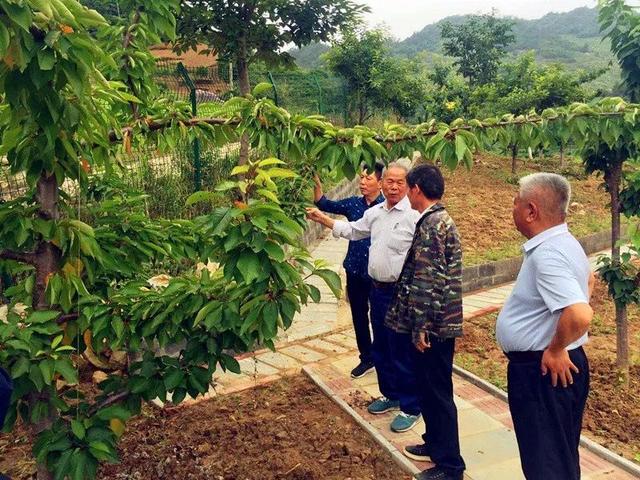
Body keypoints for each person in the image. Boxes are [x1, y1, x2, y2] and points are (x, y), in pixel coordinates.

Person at [307, 160, 422, 433]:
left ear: (409, 186)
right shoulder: (378, 213)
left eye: (399, 183)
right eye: (390, 182)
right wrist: (324, 220)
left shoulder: (414, 217)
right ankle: (390, 394)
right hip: (377, 289)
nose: (393, 187)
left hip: (401, 293)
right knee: (381, 346)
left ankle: (411, 406)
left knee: (400, 350)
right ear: (382, 184)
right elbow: (354, 229)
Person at [495, 172, 594, 480]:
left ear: (531, 211)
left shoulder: (548, 253)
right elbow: (589, 280)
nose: (512, 209)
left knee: (545, 465)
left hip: (544, 372)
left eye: (516, 203)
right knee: (559, 456)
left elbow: (579, 313)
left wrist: (555, 348)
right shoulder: (565, 241)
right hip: (556, 368)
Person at [390, 165, 466, 480]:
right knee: (429, 387)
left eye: (408, 188)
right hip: (435, 324)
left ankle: (450, 466)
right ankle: (435, 443)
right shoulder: (436, 220)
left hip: (433, 327)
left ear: (417, 188)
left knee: (437, 392)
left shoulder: (434, 224)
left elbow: (427, 279)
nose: (407, 194)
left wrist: (420, 327)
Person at [313, 165, 385, 378]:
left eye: (368, 178)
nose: (362, 182)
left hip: (378, 275)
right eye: (361, 177)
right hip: (355, 270)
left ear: (380, 183)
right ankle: (367, 357)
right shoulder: (354, 204)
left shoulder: (387, 208)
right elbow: (324, 203)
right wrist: (315, 181)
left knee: (380, 318)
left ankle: (383, 357)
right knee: (359, 316)